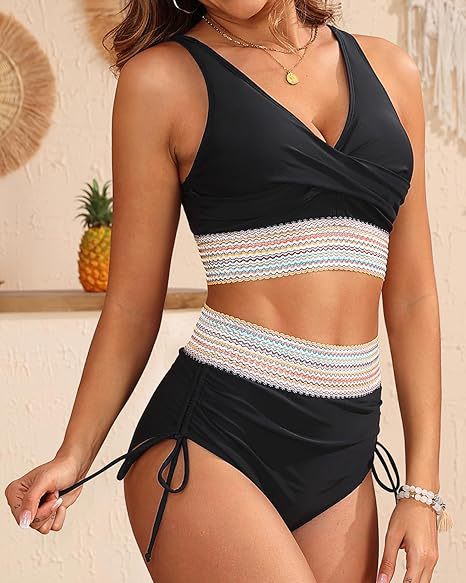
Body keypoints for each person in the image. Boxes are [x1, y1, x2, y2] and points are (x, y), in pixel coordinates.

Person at [5, 1, 451, 582]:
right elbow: (133, 304)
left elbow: (413, 295)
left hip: (344, 446)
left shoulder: (392, 72)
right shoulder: (162, 80)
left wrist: (422, 489)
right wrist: (74, 454)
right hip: (214, 439)